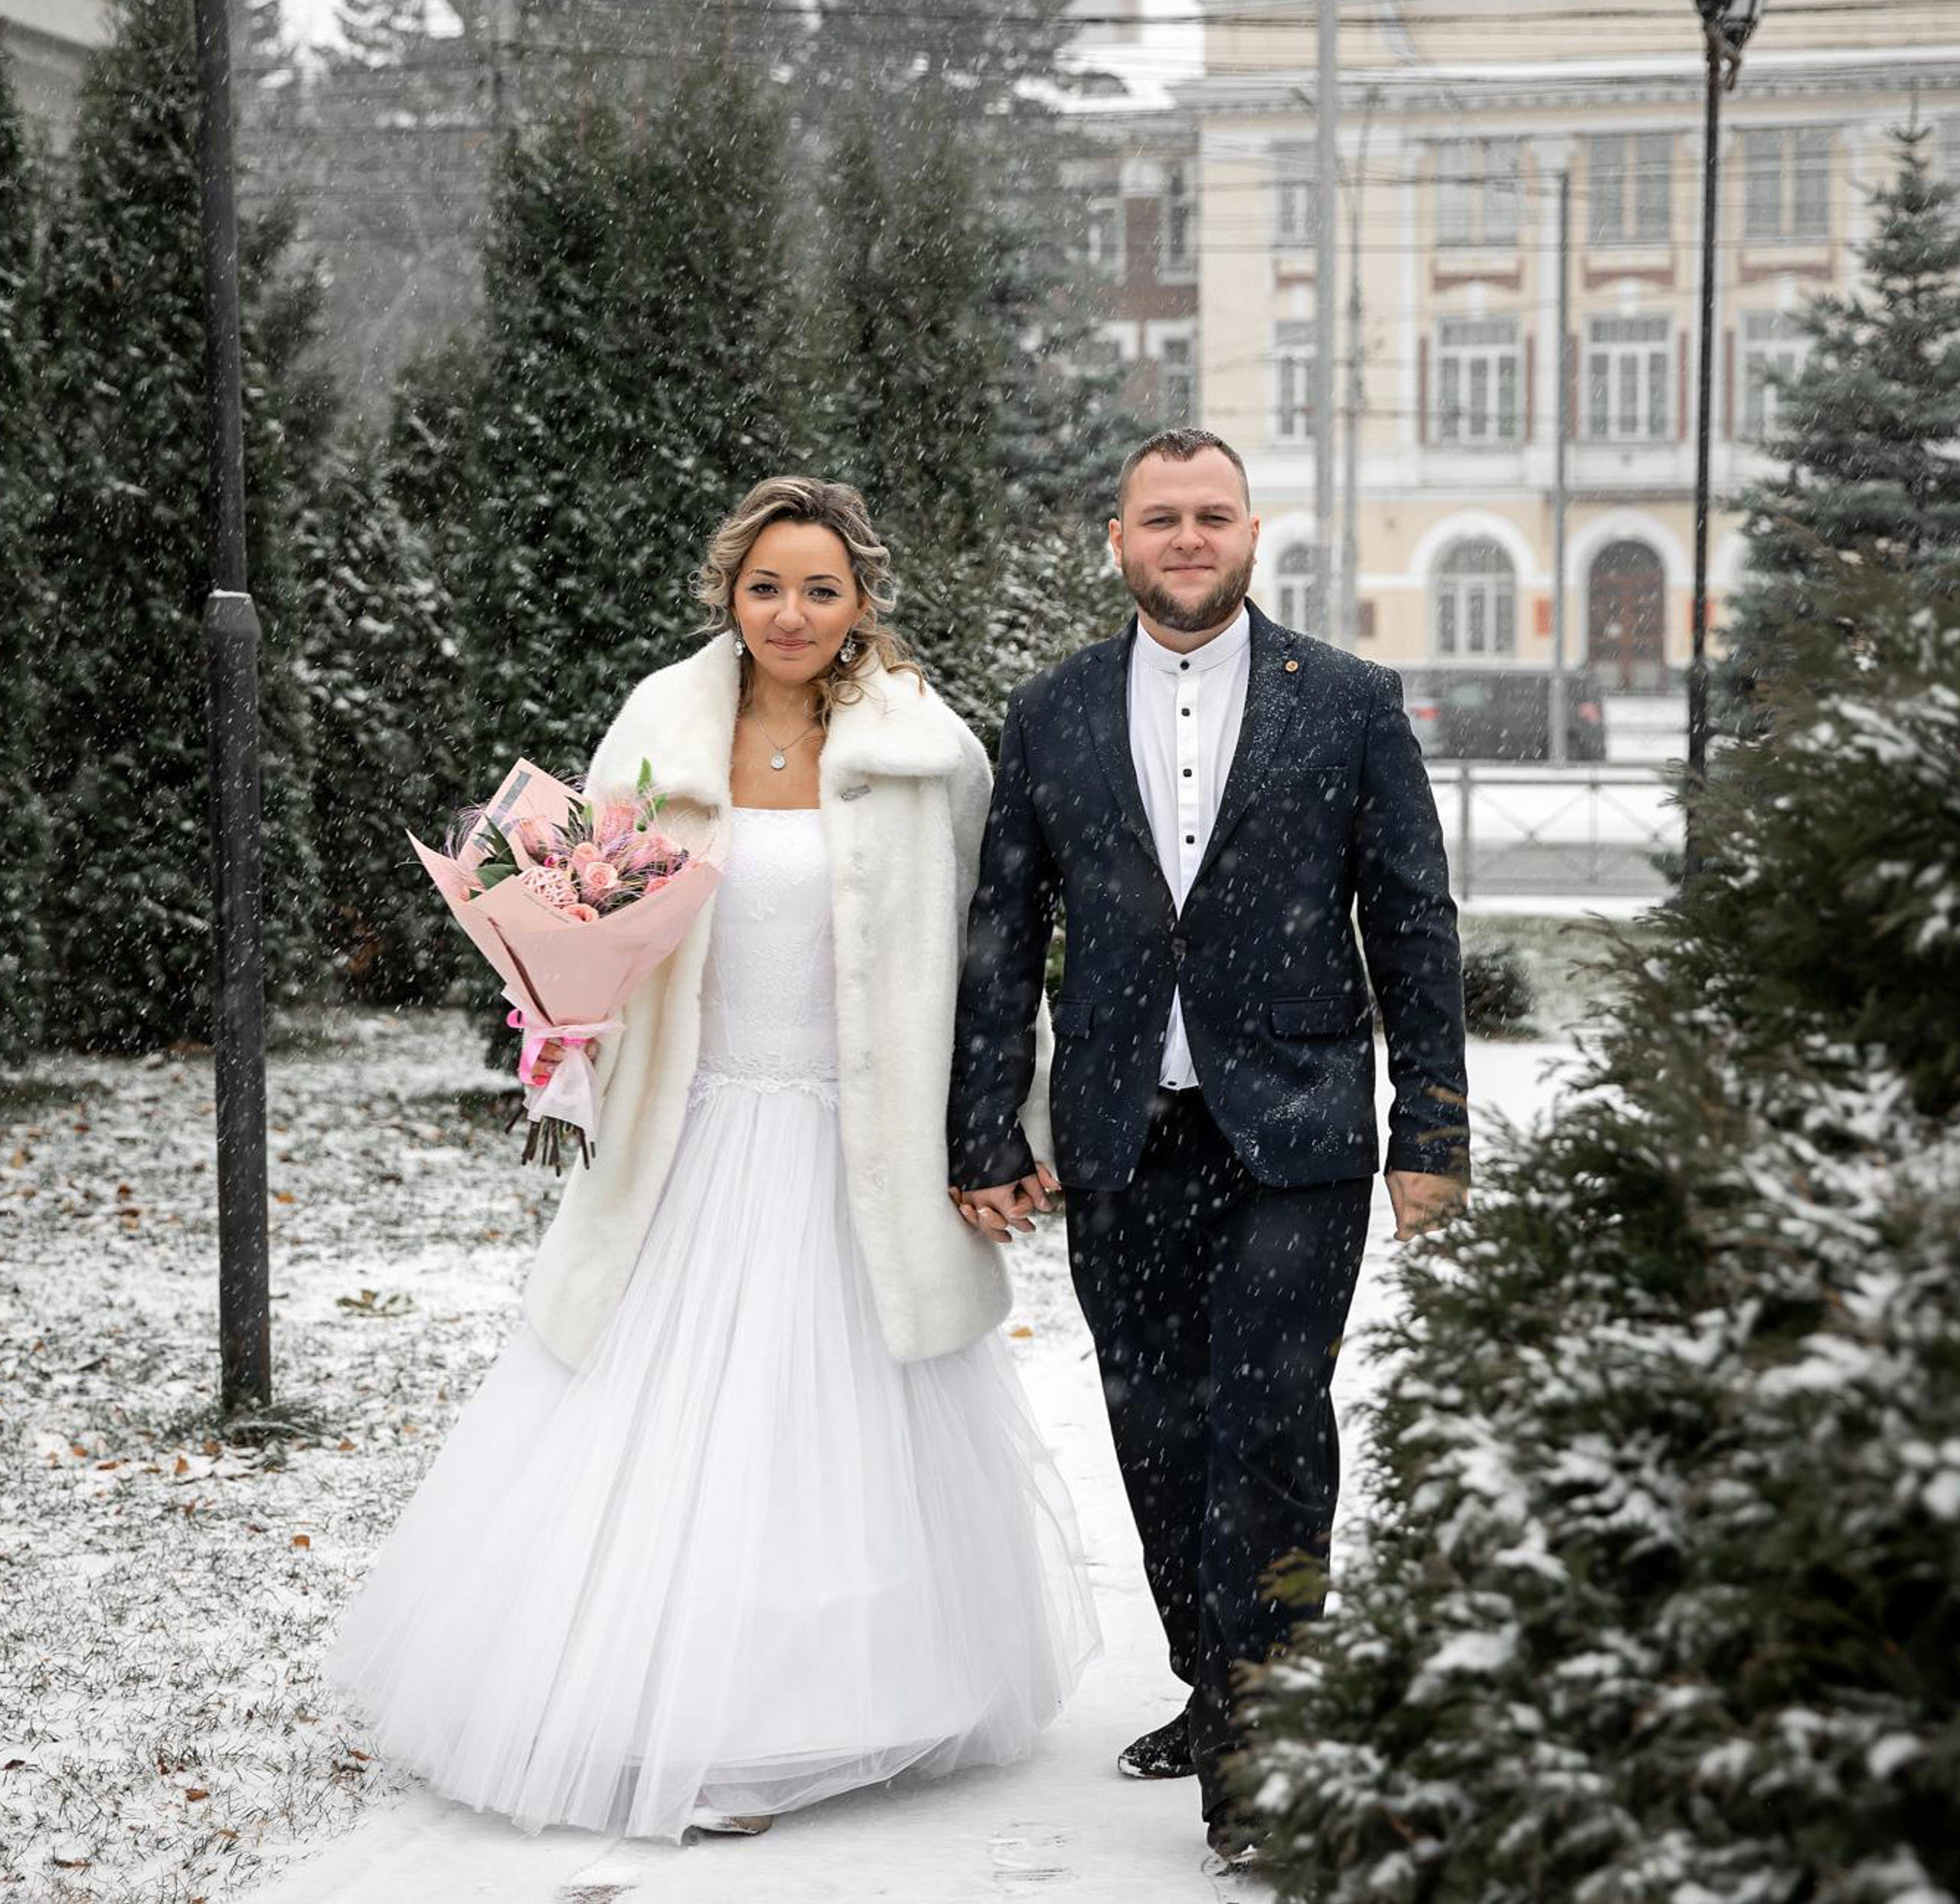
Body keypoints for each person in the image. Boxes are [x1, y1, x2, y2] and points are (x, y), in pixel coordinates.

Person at [328, 476, 1098, 1843]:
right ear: (726, 596)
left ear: (862, 599)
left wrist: (1004, 1124)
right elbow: (589, 910)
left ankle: (834, 1709)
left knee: (843, 1430)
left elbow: (994, 959)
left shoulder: (936, 752)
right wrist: (564, 1023)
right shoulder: (659, 730)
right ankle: (665, 1707)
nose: (791, 614)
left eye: (820, 588)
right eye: (765, 587)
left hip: (862, 1141)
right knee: (663, 1416)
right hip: (691, 1133)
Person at [946, 427, 1469, 1871]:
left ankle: (1272, 1741)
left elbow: (1413, 926)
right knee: (1156, 1424)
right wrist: (986, 1122)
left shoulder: (1350, 704)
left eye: (1213, 516)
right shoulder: (1048, 713)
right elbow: (1003, 934)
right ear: (1115, 538)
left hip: (1297, 1126)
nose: (1188, 539)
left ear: (1254, 535)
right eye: (1160, 518)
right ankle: (1218, 1671)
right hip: (1122, 1131)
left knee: (1270, 1413)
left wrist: (1432, 1127)